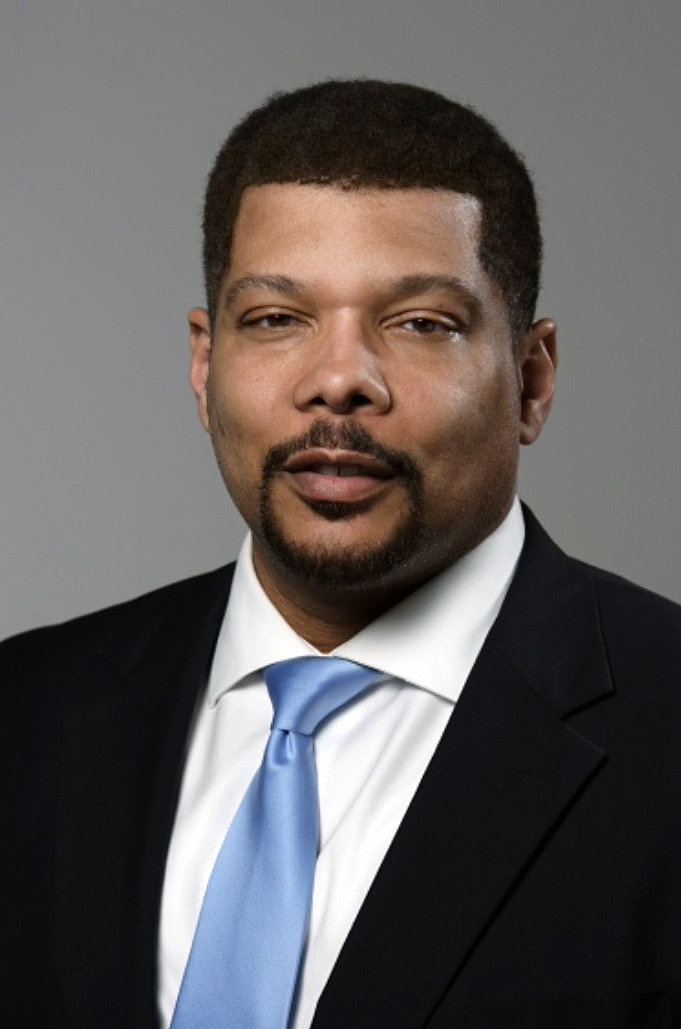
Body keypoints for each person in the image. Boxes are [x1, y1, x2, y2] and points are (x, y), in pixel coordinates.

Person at [2, 79, 680, 1029]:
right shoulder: (23, 710)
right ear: (204, 368)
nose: (337, 382)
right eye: (277, 319)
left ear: (530, 380)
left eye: (419, 324)